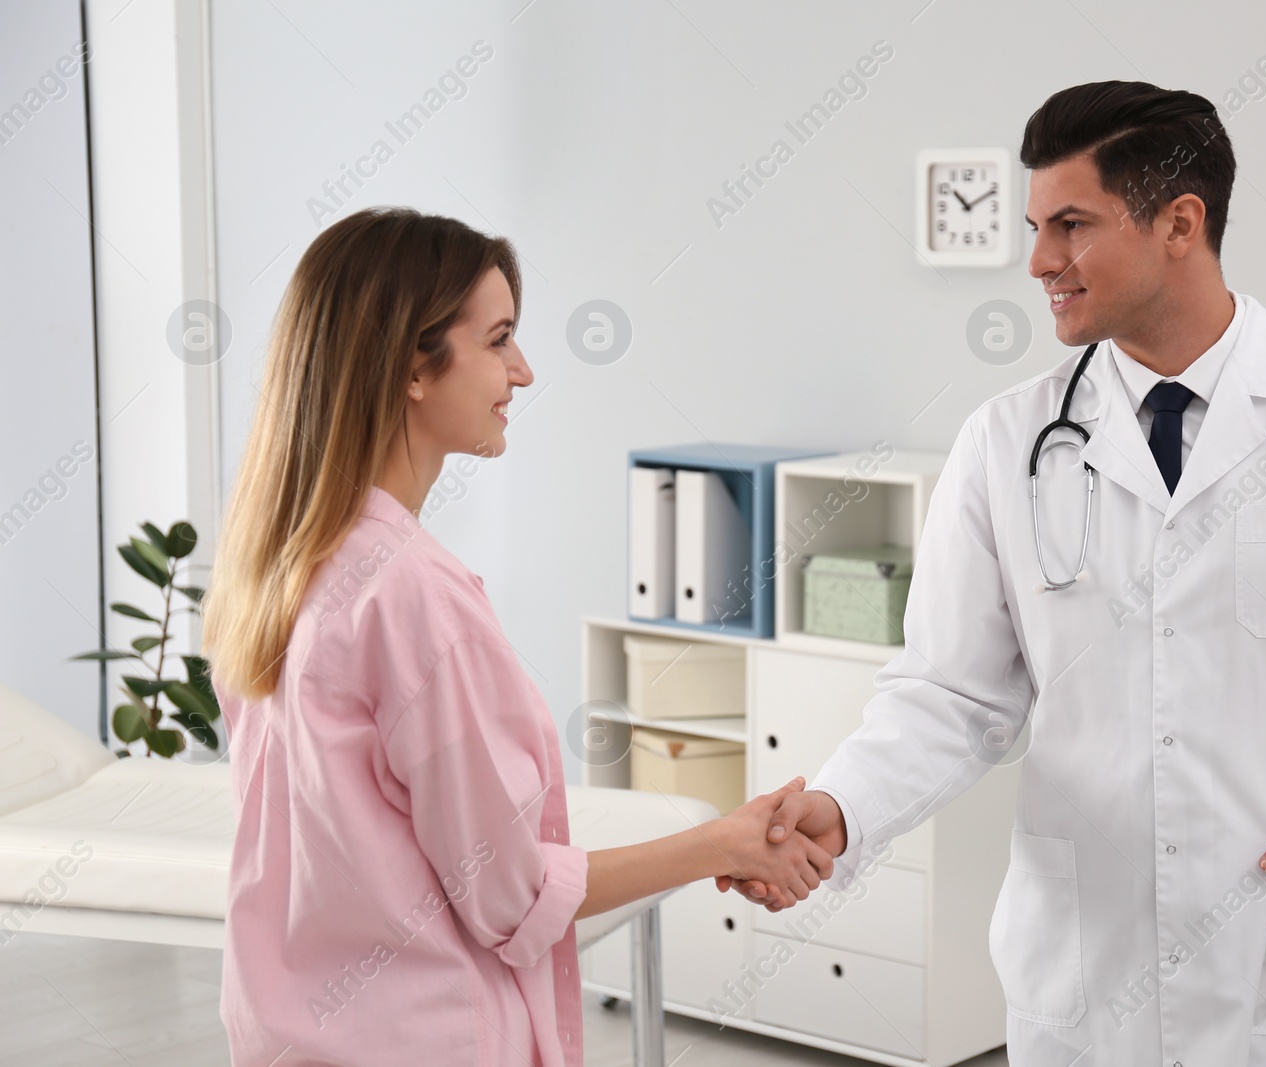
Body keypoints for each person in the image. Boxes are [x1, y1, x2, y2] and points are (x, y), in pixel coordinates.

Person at [718, 81, 1266, 1067]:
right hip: (1082, 967)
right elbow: (950, 692)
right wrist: (844, 803)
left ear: (1179, 222)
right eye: (1035, 227)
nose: (1038, 263)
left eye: (1069, 225)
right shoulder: (1009, 441)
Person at [201, 207, 833, 1066]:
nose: (523, 371)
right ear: (411, 366)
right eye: (499, 340)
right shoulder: (413, 596)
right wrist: (718, 841)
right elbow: (508, 894)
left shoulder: (274, 566)